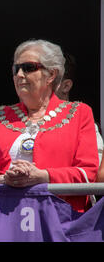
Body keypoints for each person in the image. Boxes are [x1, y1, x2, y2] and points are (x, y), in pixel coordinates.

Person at [0, 39, 99, 212]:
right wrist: (3, 179)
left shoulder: (80, 113)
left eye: (29, 67)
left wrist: (42, 177)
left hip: (59, 217)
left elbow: (87, 173)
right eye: (16, 69)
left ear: (51, 75)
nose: (20, 75)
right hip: (2, 215)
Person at [54, 53, 104, 181]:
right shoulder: (11, 121)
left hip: (69, 199)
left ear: (66, 86)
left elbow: (96, 176)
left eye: (50, 79)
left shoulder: (84, 122)